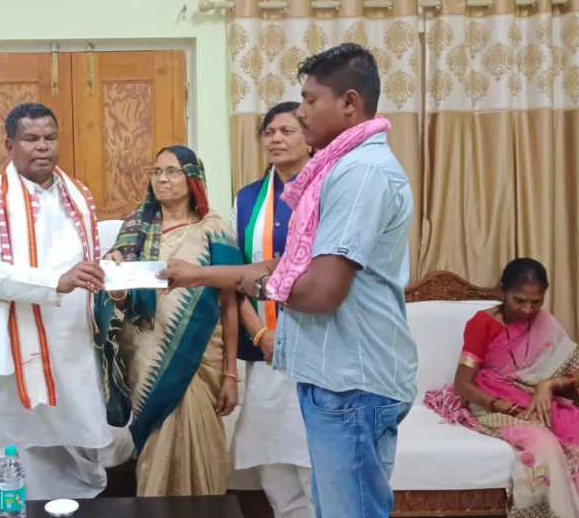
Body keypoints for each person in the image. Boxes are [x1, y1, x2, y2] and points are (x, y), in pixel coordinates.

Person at [162, 43, 417, 517]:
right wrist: (195, 274)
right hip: (335, 373)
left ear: (349, 103)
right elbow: (285, 265)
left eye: (310, 100)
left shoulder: (359, 174)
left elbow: (319, 291)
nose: (301, 113)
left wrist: (261, 288)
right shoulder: (333, 171)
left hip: (350, 380)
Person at [0, 102, 112, 501]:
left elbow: (89, 262)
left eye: (50, 137)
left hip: (73, 344)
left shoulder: (78, 195)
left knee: (72, 441)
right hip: (14, 344)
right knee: (13, 445)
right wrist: (56, 281)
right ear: (10, 144)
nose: (43, 146)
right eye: (31, 138)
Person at [95, 145, 241, 496]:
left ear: (193, 179)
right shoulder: (136, 231)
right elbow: (123, 302)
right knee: (155, 447)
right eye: (157, 171)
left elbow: (230, 302)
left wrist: (231, 374)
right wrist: (115, 287)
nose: (162, 179)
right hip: (145, 359)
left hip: (199, 359)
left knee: (201, 444)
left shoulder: (213, 230)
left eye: (173, 171)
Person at [447, 258, 579, 517]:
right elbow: (462, 384)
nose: (528, 309)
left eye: (536, 301)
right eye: (519, 300)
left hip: (543, 401)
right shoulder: (482, 323)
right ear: (502, 291)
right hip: (494, 403)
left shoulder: (544, 321)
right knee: (544, 445)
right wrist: (501, 405)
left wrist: (549, 384)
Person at [231, 102, 312, 518]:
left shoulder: (328, 189)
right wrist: (261, 334)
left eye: (287, 130)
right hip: (266, 348)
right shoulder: (247, 199)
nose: (276, 139)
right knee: (273, 455)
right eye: (270, 131)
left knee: (314, 456)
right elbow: (236, 275)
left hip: (317, 347)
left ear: (308, 137)